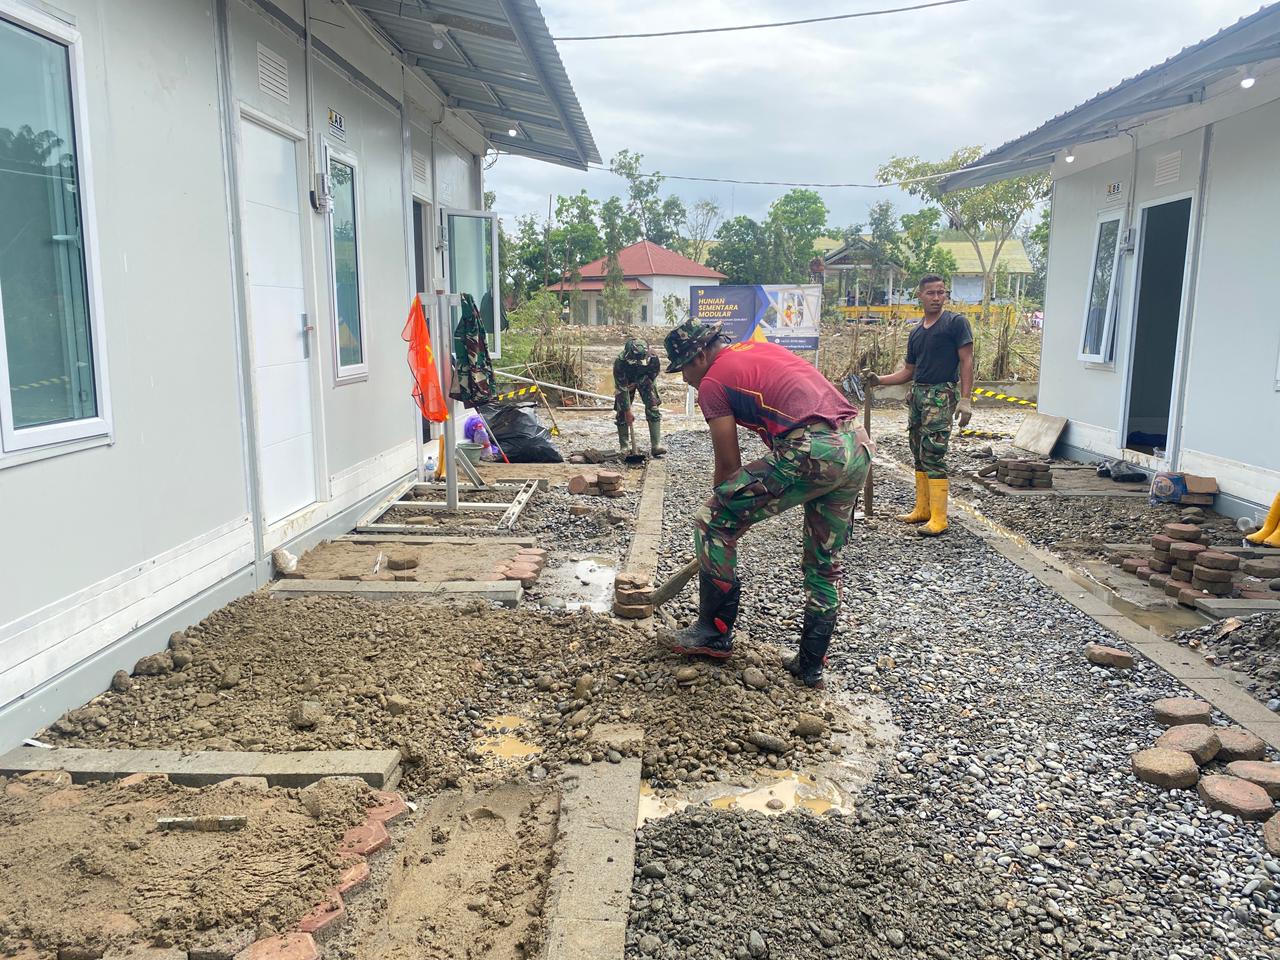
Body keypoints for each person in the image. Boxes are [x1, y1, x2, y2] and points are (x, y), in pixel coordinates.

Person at [663, 318, 873, 689]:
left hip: (813, 449)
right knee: (824, 561)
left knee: (712, 520)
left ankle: (714, 633)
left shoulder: (712, 382)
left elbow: (728, 468)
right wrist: (741, 508)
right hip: (857, 445)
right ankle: (810, 666)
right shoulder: (755, 350)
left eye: (683, 368)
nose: (684, 379)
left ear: (699, 356)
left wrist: (729, 517)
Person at [864, 275, 973, 536]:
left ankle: (939, 518)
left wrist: (966, 399)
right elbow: (908, 372)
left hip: (941, 394)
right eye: (931, 293)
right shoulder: (916, 332)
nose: (937, 298)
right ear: (920, 296)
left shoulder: (955, 323)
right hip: (918, 395)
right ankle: (923, 509)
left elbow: (967, 360)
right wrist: (879, 380)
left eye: (941, 292)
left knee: (933, 452)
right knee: (918, 451)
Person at [613, 336, 666, 457]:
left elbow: (653, 374)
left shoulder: (653, 357)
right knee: (622, 411)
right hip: (626, 381)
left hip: (644, 378)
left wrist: (638, 383)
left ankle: (656, 445)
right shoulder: (620, 362)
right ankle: (624, 447)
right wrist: (627, 411)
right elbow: (621, 388)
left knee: (653, 407)